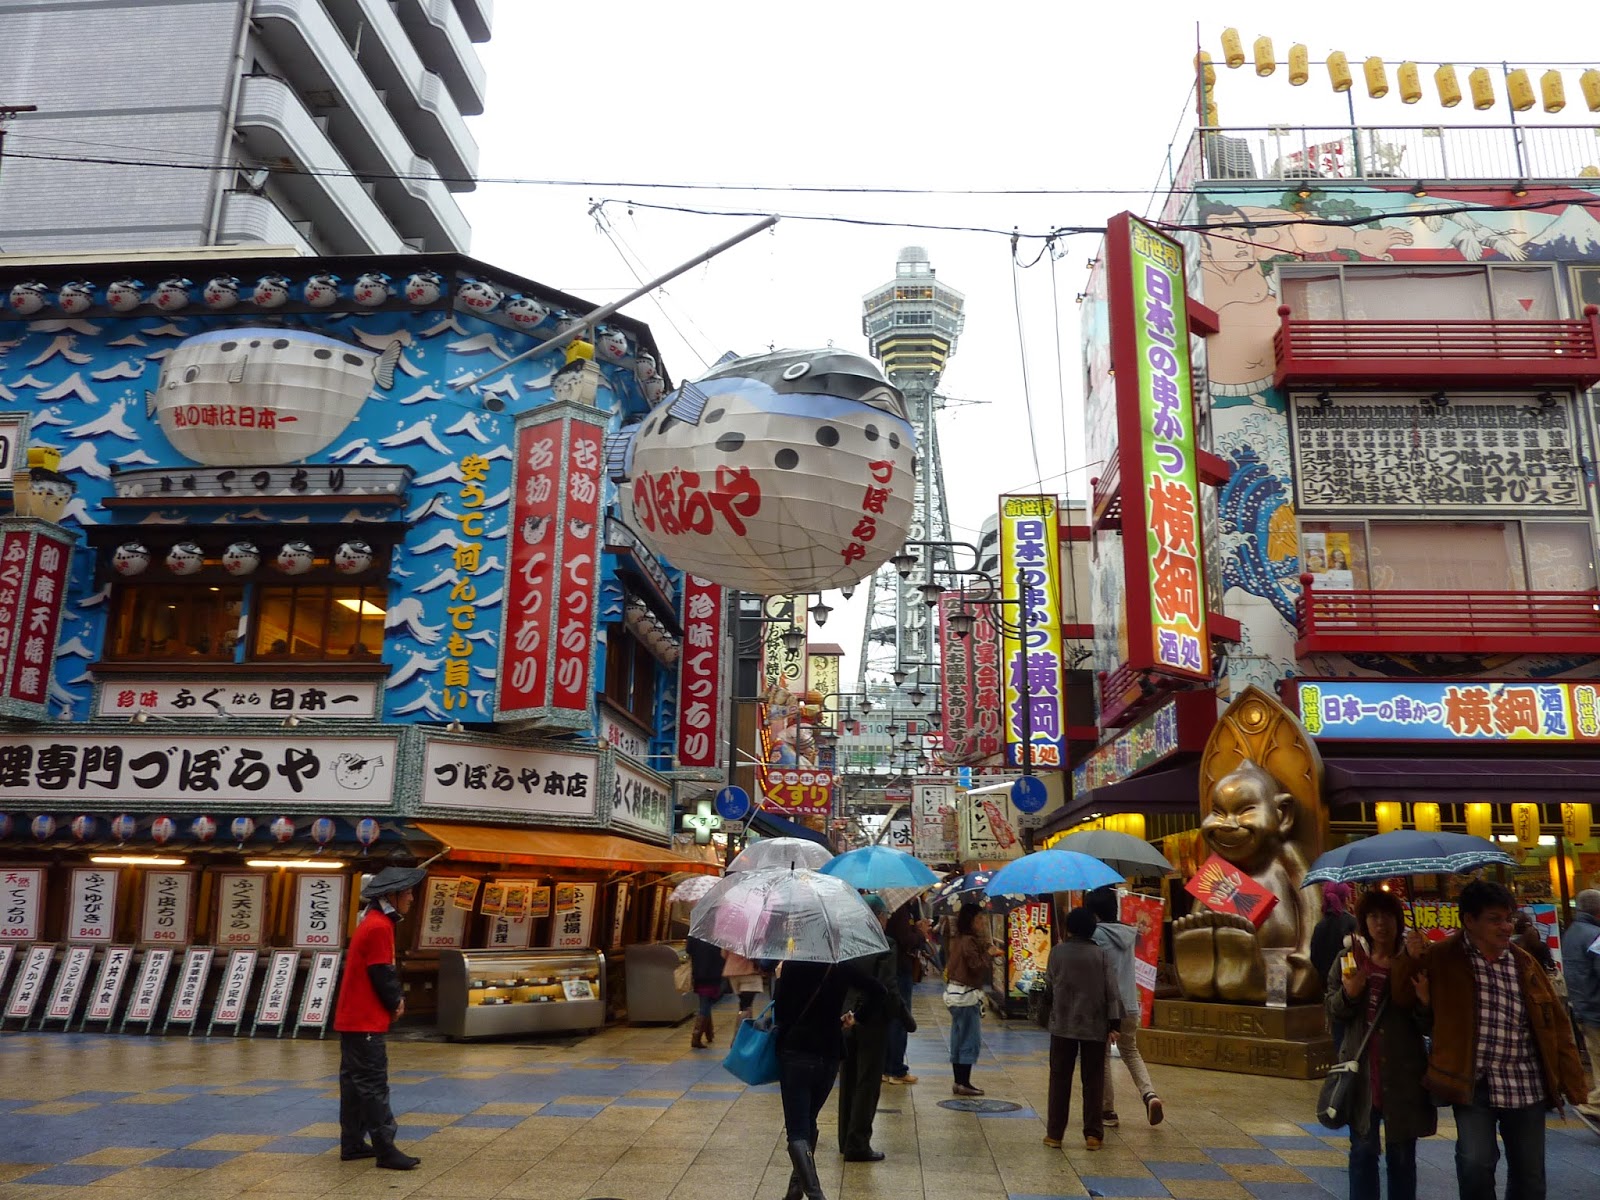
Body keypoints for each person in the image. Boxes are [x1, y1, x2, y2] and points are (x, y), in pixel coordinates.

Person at [1392, 880, 1587, 1200]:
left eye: (1508, 918)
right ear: (1469, 921)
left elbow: (1556, 1024)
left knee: (1530, 1177)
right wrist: (1410, 958)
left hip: (1525, 1082)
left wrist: (1573, 1081)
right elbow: (1402, 997)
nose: (1506, 927)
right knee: (1475, 1164)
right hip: (1473, 1081)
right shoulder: (1442, 957)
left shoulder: (1524, 962)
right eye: (1495, 919)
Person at [1324, 888, 1436, 1200]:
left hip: (1403, 1073)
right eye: (1373, 916)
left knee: (1402, 1156)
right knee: (1362, 1152)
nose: (1380, 923)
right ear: (1364, 921)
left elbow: (1428, 1025)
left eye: (1387, 916)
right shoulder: (1349, 959)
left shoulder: (1413, 961)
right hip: (1361, 1072)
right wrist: (1349, 994)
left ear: (1398, 920)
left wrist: (1425, 1001)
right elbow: (1332, 1009)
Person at [333, 864, 426, 1171]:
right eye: (408, 892)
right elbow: (382, 971)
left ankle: (352, 1143)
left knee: (354, 1085)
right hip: (365, 1018)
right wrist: (396, 1000)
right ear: (392, 895)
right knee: (373, 1084)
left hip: (353, 1017)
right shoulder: (379, 926)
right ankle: (386, 1149)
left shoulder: (371, 921)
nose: (411, 898)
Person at [775, 957, 880, 1200]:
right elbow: (878, 991)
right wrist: (856, 1016)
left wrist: (780, 980)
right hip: (829, 1056)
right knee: (808, 1120)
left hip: (796, 1054)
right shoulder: (841, 966)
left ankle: (816, 1195)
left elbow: (781, 1013)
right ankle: (795, 1188)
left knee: (797, 1130)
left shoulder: (793, 965)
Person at [837, 895, 916, 1162]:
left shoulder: (846, 942)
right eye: (885, 917)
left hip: (846, 1020)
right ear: (878, 917)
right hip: (872, 1022)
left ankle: (845, 1139)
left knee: (848, 1079)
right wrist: (906, 1019)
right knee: (867, 1083)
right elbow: (888, 989)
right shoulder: (885, 944)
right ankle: (858, 1144)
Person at [1043, 906, 1122, 1151]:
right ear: (1092, 929)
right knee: (1093, 1080)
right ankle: (1093, 1135)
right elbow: (1112, 991)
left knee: (1059, 1078)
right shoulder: (1101, 955)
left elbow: (1049, 985)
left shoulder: (1057, 952)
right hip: (1094, 1024)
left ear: (1069, 928)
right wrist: (1114, 1023)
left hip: (1063, 1024)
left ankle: (1055, 1134)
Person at [1085, 887, 1164, 1127]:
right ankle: (1149, 1094)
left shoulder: (1095, 935)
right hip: (1130, 1003)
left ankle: (1107, 1110)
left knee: (1102, 1056)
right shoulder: (1128, 933)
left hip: (1107, 1005)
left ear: (1094, 912)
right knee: (1130, 1050)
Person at [945, 903, 1000, 1096]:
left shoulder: (960, 939)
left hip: (956, 996)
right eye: (979, 918)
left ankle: (959, 1082)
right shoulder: (968, 941)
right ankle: (964, 1082)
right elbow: (976, 966)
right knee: (969, 1040)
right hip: (966, 997)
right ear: (970, 921)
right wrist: (989, 955)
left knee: (958, 1039)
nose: (982, 922)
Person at [1558, 889, 1600, 1121]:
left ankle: (1595, 1102)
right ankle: (1595, 1103)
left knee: (1596, 1058)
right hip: (1596, 1007)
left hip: (1582, 1006)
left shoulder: (1571, 933)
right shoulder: (1595, 935)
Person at [882, 897, 930, 1086]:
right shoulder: (900, 909)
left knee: (892, 1017)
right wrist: (920, 933)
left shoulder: (896, 907)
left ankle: (887, 1067)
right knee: (900, 1018)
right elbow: (906, 939)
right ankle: (895, 1069)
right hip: (900, 969)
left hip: (893, 968)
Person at [1312, 882, 1359, 1049]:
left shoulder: (1319, 926)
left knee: (1338, 1038)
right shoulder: (1351, 923)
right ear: (1345, 898)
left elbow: (1314, 957)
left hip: (1330, 991)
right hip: (1352, 989)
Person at [686, 934, 724, 1049]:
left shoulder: (694, 934)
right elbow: (721, 954)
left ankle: (709, 1033)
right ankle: (696, 1036)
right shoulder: (715, 935)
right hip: (712, 974)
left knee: (705, 1001)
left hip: (698, 972)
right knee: (705, 1004)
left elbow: (688, 950)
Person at [722, 947, 765, 1022]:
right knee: (746, 1004)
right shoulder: (754, 940)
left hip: (733, 971)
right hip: (750, 973)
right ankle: (743, 1026)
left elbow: (724, 954)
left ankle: (744, 1024)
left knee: (744, 1003)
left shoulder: (730, 940)